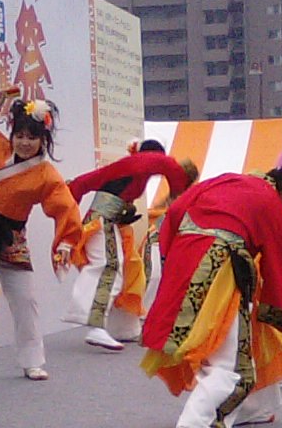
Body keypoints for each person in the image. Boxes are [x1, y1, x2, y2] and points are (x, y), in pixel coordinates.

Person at [140, 155, 282, 428]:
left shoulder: (224, 179)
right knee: (228, 367)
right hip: (222, 267)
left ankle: (244, 411)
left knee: (223, 353)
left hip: (184, 255)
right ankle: (193, 423)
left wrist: (173, 258)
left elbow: (175, 213)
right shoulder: (270, 202)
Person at [0, 89, 81, 381]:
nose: (24, 142)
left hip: (12, 236)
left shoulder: (47, 175)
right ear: (12, 133)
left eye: (31, 137)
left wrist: (67, 242)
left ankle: (32, 360)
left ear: (43, 139)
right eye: (19, 135)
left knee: (25, 300)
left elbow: (64, 208)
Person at [62, 140, 196, 351]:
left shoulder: (130, 169)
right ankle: (95, 324)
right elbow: (168, 166)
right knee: (109, 266)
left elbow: (81, 184)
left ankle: (125, 327)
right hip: (102, 221)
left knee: (128, 269)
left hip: (111, 223)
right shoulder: (140, 162)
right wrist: (179, 190)